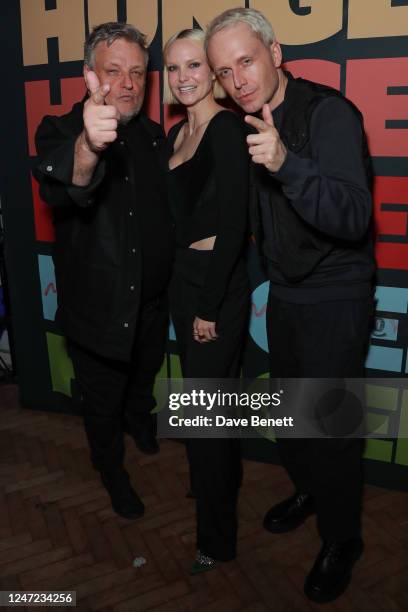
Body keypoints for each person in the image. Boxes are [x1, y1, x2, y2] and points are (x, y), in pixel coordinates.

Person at [206, 8, 374, 603]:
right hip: (285, 294)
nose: (238, 79)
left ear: (276, 54)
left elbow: (353, 217)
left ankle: (343, 538)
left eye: (247, 61)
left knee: (332, 427)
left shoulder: (328, 113)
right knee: (294, 419)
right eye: (225, 71)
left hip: (336, 294)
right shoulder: (244, 120)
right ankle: (311, 491)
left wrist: (284, 163)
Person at [35, 22, 174, 520]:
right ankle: (111, 471)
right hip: (98, 314)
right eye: (114, 71)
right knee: (102, 402)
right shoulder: (61, 129)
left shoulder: (154, 137)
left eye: (138, 72)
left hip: (154, 305)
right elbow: (62, 182)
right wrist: (90, 147)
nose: (129, 83)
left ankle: (142, 419)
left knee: (142, 379)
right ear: (89, 75)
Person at [163, 28, 249, 573]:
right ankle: (209, 485)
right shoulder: (176, 134)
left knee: (210, 417)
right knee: (200, 411)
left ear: (214, 73)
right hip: (182, 281)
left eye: (195, 66)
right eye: (173, 69)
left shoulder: (226, 129)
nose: (183, 78)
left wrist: (209, 307)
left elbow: (235, 227)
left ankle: (216, 541)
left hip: (214, 286)